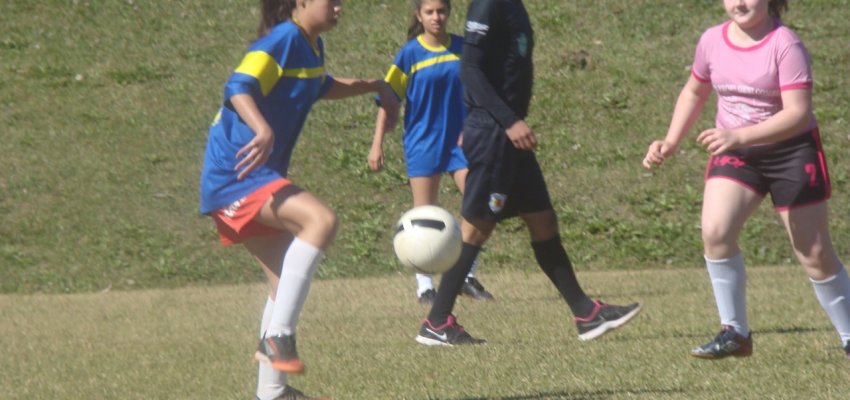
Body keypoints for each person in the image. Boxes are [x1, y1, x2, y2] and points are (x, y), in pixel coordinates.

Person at [199, 0, 399, 398]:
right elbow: (238, 85)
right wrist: (262, 129)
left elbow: (321, 85)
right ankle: (278, 340)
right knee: (320, 220)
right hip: (236, 176)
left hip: (251, 178)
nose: (341, 7)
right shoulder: (284, 39)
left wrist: (376, 86)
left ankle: (272, 392)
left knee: (281, 288)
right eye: (333, 0)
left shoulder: (309, 46)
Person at [414, 0, 642, 346]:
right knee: (476, 228)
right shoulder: (488, 5)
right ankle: (437, 321)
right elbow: (471, 70)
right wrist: (506, 121)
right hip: (496, 134)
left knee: (543, 221)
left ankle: (586, 313)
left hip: (508, 137)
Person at [642, 0, 850, 360]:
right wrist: (670, 141)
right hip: (737, 152)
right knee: (715, 231)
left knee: (814, 254)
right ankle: (735, 332)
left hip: (790, 152)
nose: (738, 3)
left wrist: (740, 135)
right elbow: (695, 90)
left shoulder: (785, 44)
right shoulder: (711, 40)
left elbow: (798, 114)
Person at [369, 0, 493, 305]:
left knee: (479, 206)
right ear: (419, 16)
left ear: (449, 14)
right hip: (423, 143)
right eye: (430, 12)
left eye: (441, 11)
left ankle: (466, 276)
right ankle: (425, 286)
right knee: (422, 216)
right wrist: (377, 143)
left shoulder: (464, 48)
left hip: (462, 143)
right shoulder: (410, 53)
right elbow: (388, 100)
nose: (436, 17)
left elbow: (483, 92)